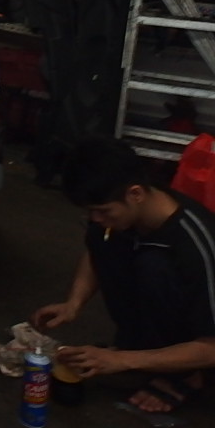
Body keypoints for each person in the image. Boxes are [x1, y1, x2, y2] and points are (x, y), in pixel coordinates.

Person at [31, 136, 215, 414]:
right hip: (151, 325)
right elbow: (95, 250)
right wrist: (73, 303)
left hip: (205, 343)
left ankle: (186, 375)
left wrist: (123, 361)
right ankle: (139, 347)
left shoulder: (193, 245)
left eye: (103, 210)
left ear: (136, 193)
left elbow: (212, 347)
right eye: (91, 211)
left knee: (155, 265)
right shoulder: (119, 218)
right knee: (107, 238)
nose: (96, 218)